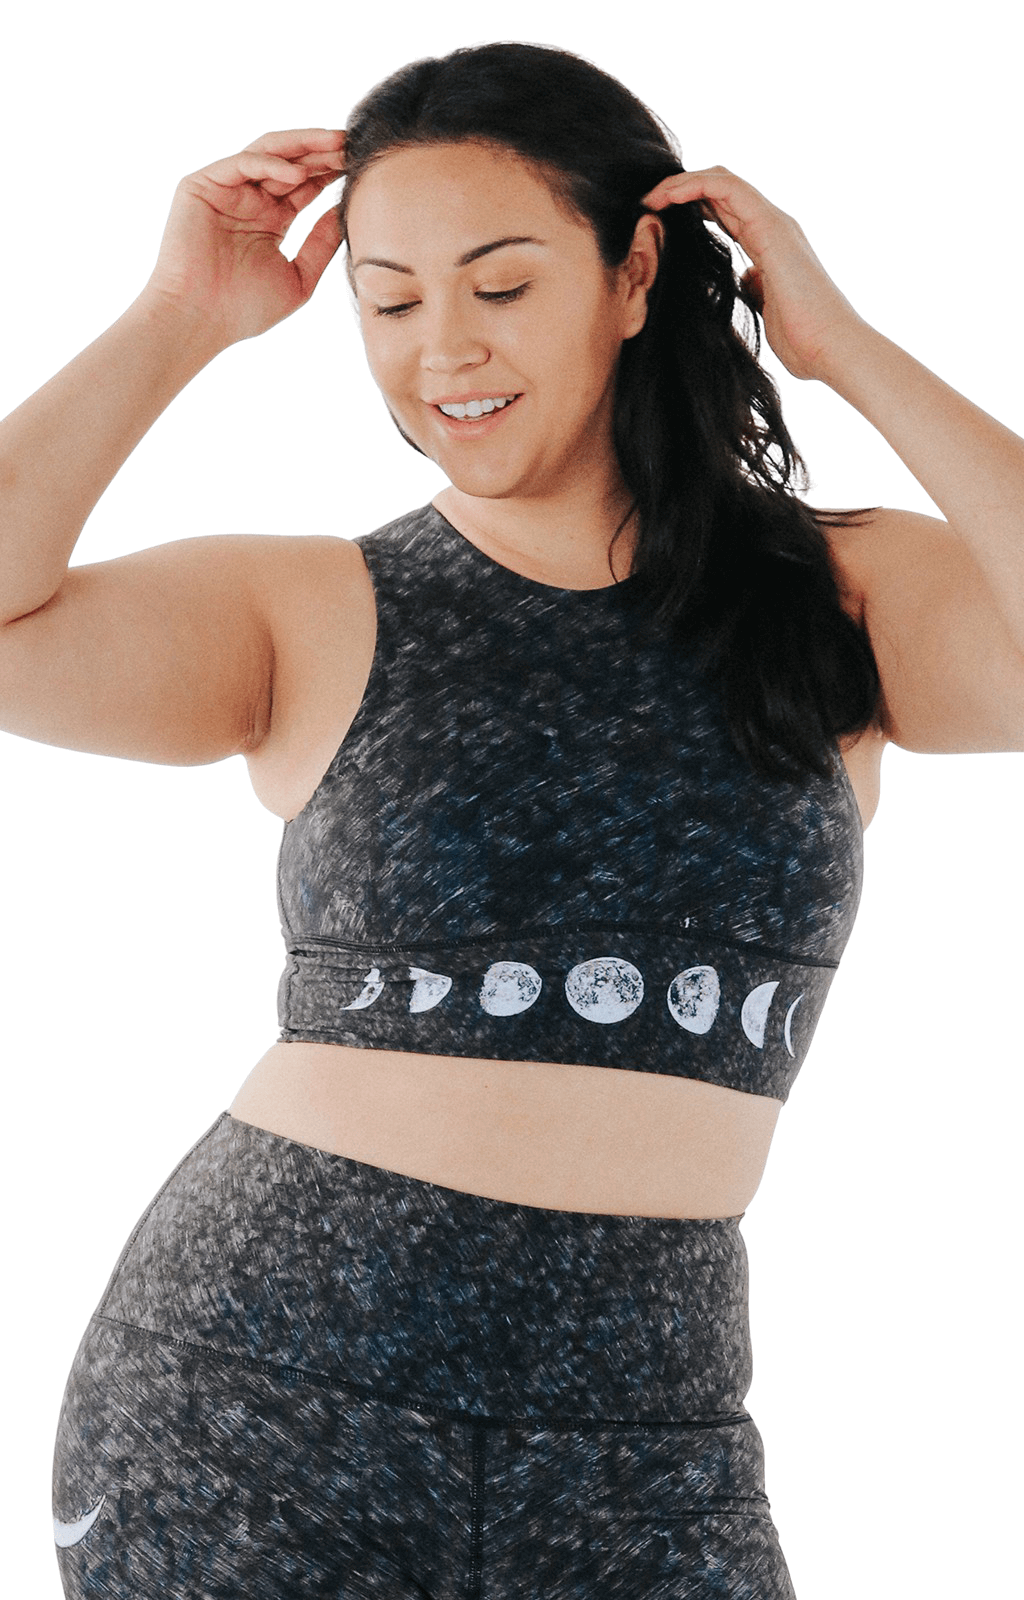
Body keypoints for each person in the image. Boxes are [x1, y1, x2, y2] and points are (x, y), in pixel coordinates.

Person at [1, 37, 1019, 1599]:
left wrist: (848, 349)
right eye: (391, 301)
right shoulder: (305, 607)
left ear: (634, 276)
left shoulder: (840, 595)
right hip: (260, 1407)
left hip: (647, 1449)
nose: (444, 350)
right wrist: (176, 316)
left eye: (500, 284)